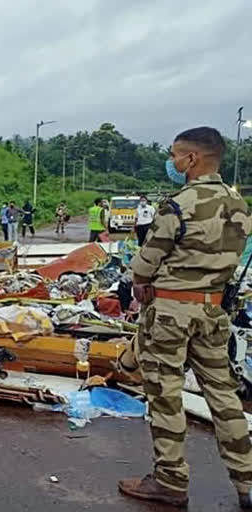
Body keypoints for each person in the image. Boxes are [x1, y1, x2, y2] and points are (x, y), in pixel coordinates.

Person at [119, 127, 252, 508]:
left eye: (175, 155)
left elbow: (147, 261)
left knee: (165, 394)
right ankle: (246, 482)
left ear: (192, 159)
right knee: (224, 396)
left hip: (171, 314)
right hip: (214, 312)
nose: (172, 162)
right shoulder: (238, 204)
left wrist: (141, 282)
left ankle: (170, 481)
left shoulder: (180, 203)